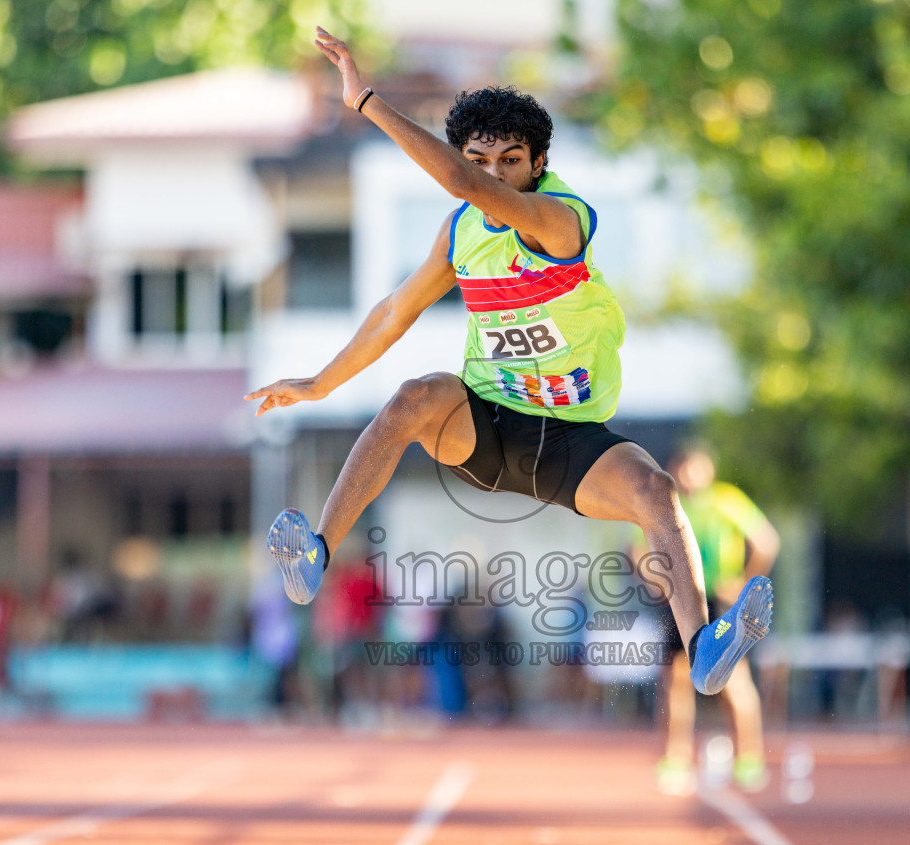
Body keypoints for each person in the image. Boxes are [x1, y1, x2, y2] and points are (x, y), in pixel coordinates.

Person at [245, 28, 773, 701]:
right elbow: (392, 314)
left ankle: (704, 649)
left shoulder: (560, 220)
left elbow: (463, 183)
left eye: (510, 161)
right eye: (480, 161)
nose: (492, 178)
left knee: (657, 492)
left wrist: (367, 101)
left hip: (572, 441)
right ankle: (315, 553)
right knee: (414, 395)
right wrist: (318, 383)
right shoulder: (460, 233)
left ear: (540, 163)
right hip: (488, 429)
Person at [652, 443, 779, 794]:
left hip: (719, 600)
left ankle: (749, 760)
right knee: (676, 679)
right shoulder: (665, 504)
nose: (691, 476)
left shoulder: (727, 500)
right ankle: (675, 761)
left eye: (698, 468)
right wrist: (658, 582)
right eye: (685, 468)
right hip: (679, 600)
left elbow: (766, 541)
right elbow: (638, 548)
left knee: (734, 678)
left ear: (709, 470)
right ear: (675, 469)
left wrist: (745, 583)